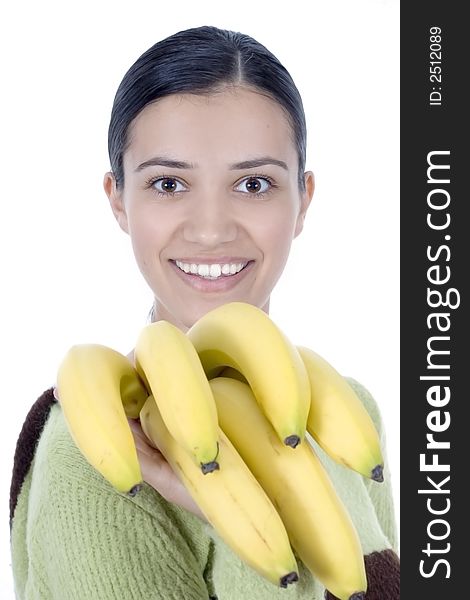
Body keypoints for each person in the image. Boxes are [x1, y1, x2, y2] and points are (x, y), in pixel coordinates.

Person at [9, 25, 399, 600]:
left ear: (303, 200)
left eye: (253, 183)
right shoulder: (98, 455)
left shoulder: (347, 414)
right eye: (168, 183)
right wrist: (236, 519)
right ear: (118, 199)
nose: (212, 229)